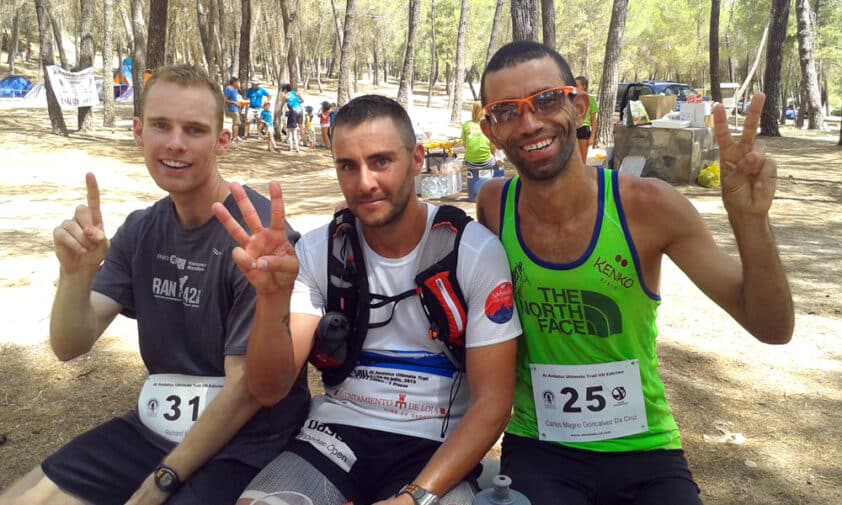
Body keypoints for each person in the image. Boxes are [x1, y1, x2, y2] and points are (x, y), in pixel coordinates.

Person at [476, 41, 794, 505]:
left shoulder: (649, 207)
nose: (529, 124)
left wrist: (749, 221)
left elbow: (772, 328)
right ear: (490, 130)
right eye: (507, 111)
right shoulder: (493, 205)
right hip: (540, 446)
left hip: (644, 449)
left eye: (546, 100)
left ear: (578, 105)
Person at [0, 64, 309, 505]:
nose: (175, 143)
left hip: (248, 441)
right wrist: (75, 275)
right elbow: (70, 344)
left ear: (222, 141)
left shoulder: (256, 238)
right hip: (159, 427)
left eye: (195, 129)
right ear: (139, 132)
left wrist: (163, 478)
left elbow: (246, 391)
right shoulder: (141, 229)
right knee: (27, 497)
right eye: (161, 126)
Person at [213, 94, 522, 505]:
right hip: (334, 438)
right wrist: (271, 299)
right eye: (348, 166)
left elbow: (494, 403)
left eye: (381, 161)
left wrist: (414, 498)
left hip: (436, 442)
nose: (365, 182)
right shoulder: (318, 249)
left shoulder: (473, 251)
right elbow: (269, 389)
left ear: (415, 160)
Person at [462, 101, 498, 173]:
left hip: (470, 163)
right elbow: (493, 146)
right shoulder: (488, 124)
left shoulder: (466, 124)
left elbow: (465, 145)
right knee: (497, 161)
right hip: (486, 162)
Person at [574, 75, 598, 164]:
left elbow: (593, 120)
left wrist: (592, 137)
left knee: (581, 161)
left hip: (583, 130)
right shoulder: (572, 99)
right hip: (573, 130)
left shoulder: (590, 99)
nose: (575, 88)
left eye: (577, 85)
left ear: (584, 86)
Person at [224, 76, 244, 142]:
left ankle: (235, 136)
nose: (239, 83)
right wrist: (234, 103)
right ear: (234, 82)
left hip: (237, 108)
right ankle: (235, 137)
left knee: (236, 123)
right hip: (232, 108)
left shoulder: (235, 89)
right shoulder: (228, 89)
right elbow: (225, 100)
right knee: (236, 123)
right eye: (238, 82)